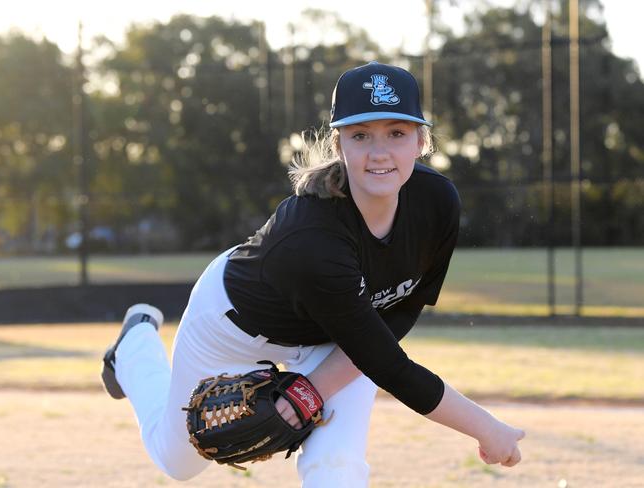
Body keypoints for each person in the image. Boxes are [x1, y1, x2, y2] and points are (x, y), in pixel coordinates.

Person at [101, 61, 525, 487]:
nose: (380, 153)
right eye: (361, 135)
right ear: (339, 145)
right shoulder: (312, 238)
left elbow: (400, 312)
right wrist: (487, 428)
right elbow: (390, 367)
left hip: (338, 339)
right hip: (233, 322)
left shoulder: (437, 203)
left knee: (336, 464)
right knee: (180, 464)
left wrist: (314, 388)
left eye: (396, 133)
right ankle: (134, 348)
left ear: (421, 141)